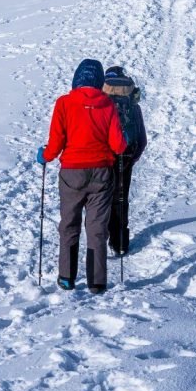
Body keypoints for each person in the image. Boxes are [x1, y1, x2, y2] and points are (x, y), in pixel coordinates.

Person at [37, 59, 127, 294]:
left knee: (69, 223)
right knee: (97, 228)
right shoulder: (108, 104)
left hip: (72, 174)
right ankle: (96, 282)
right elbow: (118, 146)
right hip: (101, 173)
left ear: (76, 79)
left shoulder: (64, 103)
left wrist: (44, 155)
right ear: (99, 81)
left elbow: (56, 142)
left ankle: (66, 277)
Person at [102, 67, 147, 256]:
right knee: (121, 198)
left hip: (103, 156)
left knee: (100, 198)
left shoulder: (101, 102)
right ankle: (120, 243)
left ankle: (98, 240)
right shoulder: (132, 105)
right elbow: (142, 139)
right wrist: (133, 158)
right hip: (126, 156)